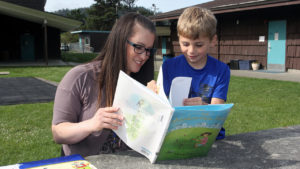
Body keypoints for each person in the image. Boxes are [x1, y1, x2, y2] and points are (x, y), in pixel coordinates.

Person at [52, 12, 156, 157]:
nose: (144, 56)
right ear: (120, 41)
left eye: (148, 50)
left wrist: (155, 106)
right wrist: (92, 124)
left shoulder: (142, 83)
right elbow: (58, 133)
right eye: (139, 47)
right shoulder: (80, 77)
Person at [149, 7, 230, 140]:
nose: (191, 50)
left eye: (199, 45)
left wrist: (203, 106)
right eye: (185, 44)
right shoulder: (168, 67)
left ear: (213, 41)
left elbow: (218, 111)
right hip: (175, 135)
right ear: (178, 38)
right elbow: (161, 106)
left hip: (209, 136)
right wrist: (151, 94)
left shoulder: (221, 70)